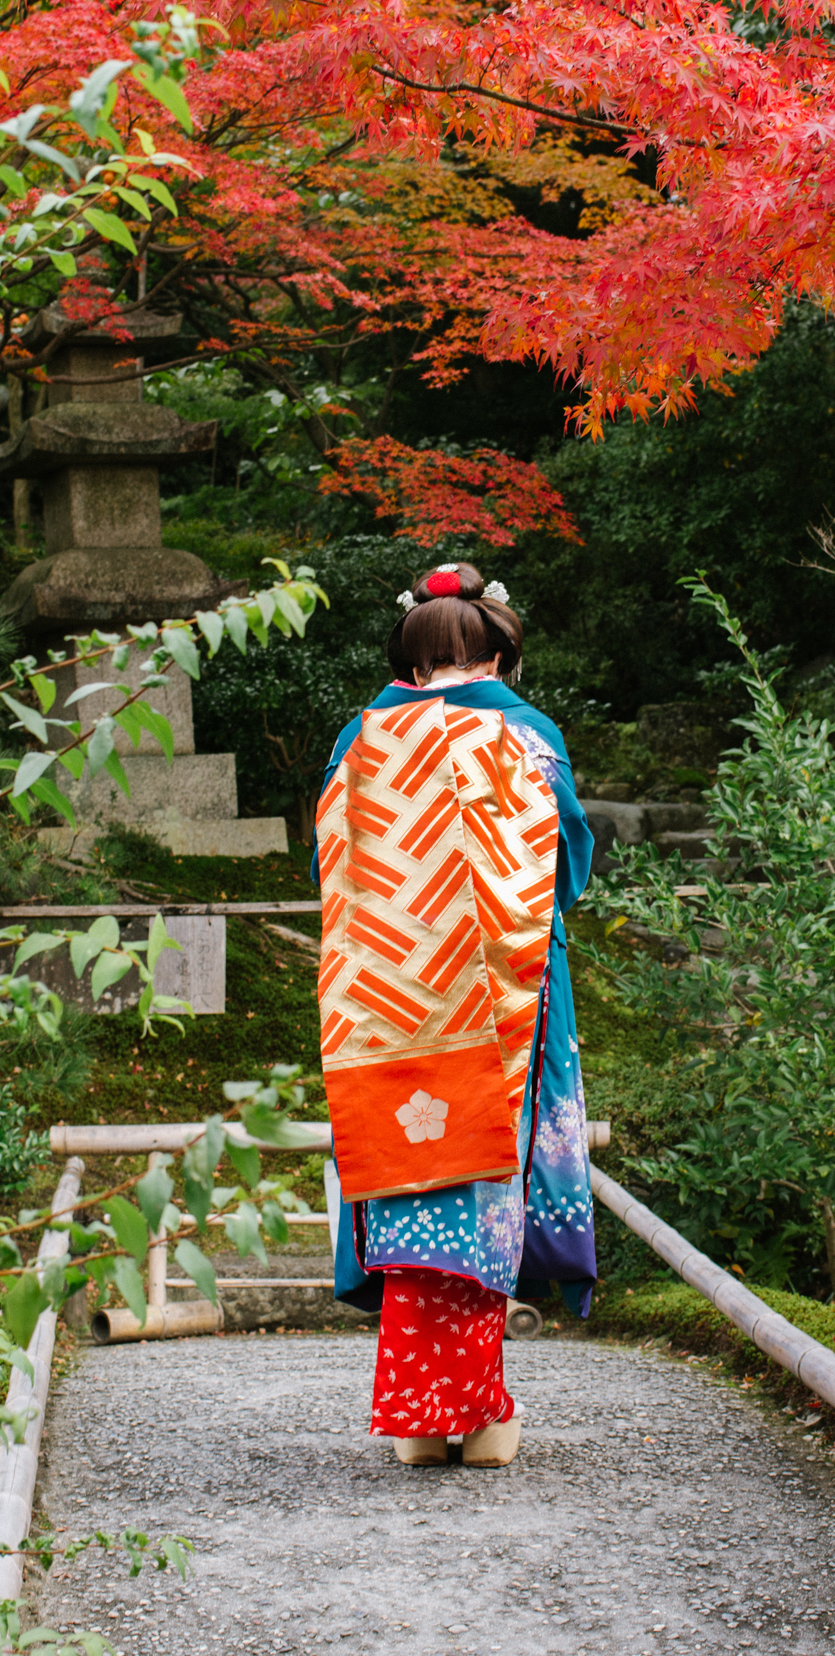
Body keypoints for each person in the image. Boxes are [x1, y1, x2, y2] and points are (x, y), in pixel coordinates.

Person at [314, 561, 597, 1467]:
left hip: (387, 1005)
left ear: (408, 650)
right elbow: (567, 866)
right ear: (500, 648)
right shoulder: (526, 732)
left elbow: (335, 868)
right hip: (506, 1005)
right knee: (487, 1191)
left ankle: (420, 1419)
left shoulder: (361, 738)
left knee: (409, 1178)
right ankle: (478, 1412)